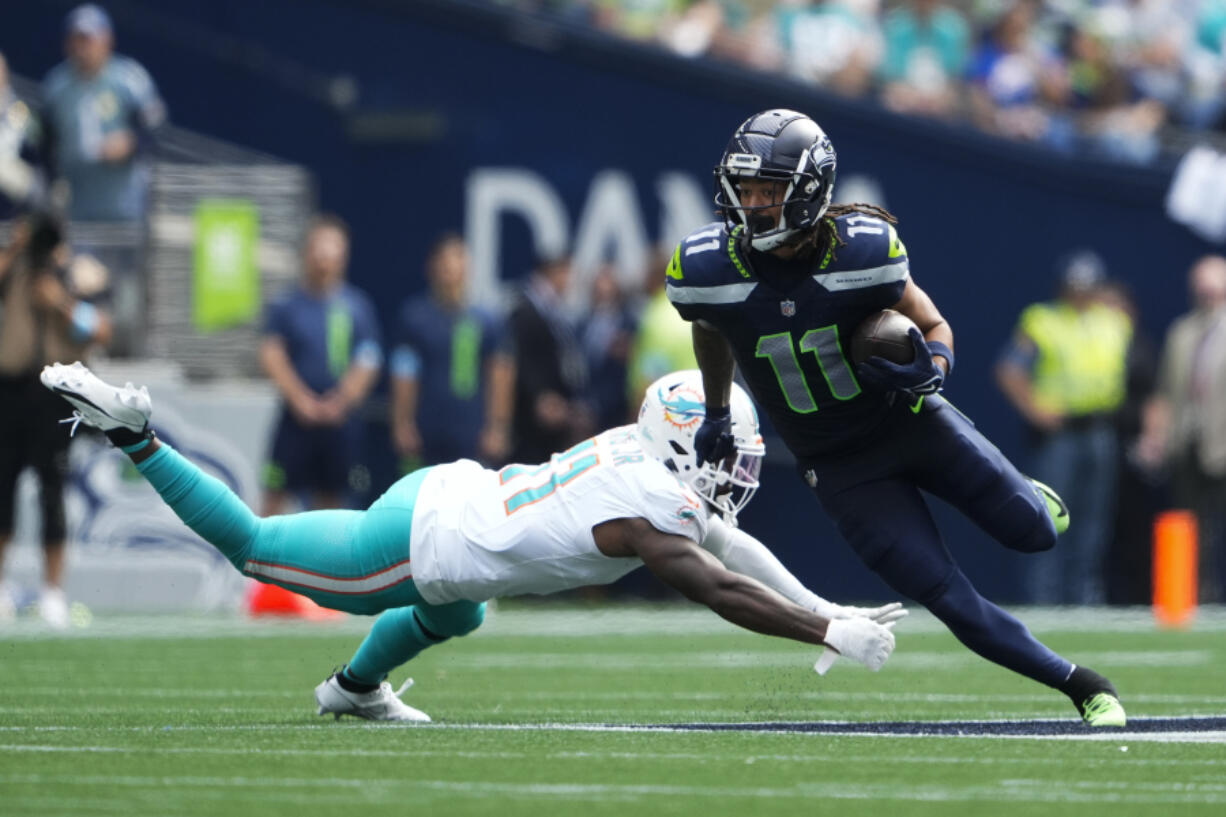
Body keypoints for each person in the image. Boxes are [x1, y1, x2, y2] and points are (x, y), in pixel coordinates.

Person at [41, 362, 905, 721]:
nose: (731, 469)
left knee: (462, 617)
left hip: (451, 496)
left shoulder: (646, 458)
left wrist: (826, 606)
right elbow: (719, 585)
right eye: (719, 452)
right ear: (682, 442)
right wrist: (824, 633)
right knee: (260, 550)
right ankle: (135, 434)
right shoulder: (649, 503)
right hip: (418, 542)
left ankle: (353, 688)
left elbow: (730, 544)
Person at [665, 108, 1125, 726]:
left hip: (910, 420)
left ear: (807, 191)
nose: (750, 203)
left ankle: (1033, 500)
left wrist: (932, 367)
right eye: (744, 188)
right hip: (839, 467)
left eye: (767, 190)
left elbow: (934, 325)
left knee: (1034, 533)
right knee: (945, 594)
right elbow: (711, 328)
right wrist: (717, 408)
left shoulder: (865, 250)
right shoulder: (706, 269)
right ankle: (1082, 686)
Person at [995, 251, 1133, 604]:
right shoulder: (1043, 320)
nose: (1081, 292)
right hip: (1061, 433)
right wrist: (1035, 409)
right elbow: (1010, 369)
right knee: (1053, 516)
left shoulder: (1114, 321)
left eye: (1088, 286)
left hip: (1101, 428)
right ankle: (1046, 597)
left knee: (1095, 520)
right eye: (1075, 285)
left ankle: (1085, 597)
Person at [0, 212, 112, 626]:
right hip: (10, 388)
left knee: (52, 490)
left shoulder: (78, 273)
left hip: (55, 394)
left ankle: (52, 591)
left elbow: (101, 331)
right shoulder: (14, 268)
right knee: (2, 489)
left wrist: (62, 302)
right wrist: (15, 249)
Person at [40, 5, 167, 356]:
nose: (84, 47)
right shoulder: (56, 86)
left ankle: (125, 353)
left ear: (106, 40)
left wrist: (129, 144)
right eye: (78, 40)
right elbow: (46, 146)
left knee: (126, 292)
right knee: (81, 288)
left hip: (124, 211)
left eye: (90, 39)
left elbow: (153, 131)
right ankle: (85, 355)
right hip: (79, 212)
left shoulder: (129, 79)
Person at [260, 214, 382, 515]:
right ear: (307, 252)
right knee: (274, 499)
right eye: (319, 248)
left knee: (333, 506)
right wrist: (301, 400)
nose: (325, 257)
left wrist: (340, 402)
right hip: (294, 421)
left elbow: (368, 360)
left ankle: (324, 563)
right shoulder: (287, 305)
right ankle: (262, 562)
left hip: (339, 425)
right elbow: (272, 353)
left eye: (333, 249)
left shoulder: (357, 307)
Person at [1139, 255, 1226, 603]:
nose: (1207, 292)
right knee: (1193, 526)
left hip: (1223, 441)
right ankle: (1198, 595)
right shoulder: (1182, 332)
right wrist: (1156, 436)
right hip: (1188, 442)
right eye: (1201, 285)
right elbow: (1166, 391)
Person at [390, 233, 512, 471]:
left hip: (472, 432)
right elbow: (404, 374)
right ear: (431, 267)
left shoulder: (488, 320)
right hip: (427, 430)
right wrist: (402, 423)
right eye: (443, 260)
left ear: (467, 267)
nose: (449, 266)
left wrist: (498, 428)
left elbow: (500, 375)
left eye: (456, 258)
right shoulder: (413, 318)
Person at [508, 254, 592, 464]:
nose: (569, 281)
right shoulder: (524, 311)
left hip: (553, 414)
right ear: (552, 273)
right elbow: (519, 359)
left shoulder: (552, 310)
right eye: (566, 274)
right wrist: (539, 395)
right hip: (531, 418)